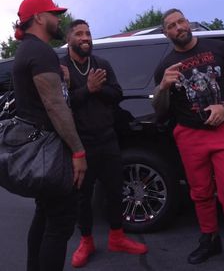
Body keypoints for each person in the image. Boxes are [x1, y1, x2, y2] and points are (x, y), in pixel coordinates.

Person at [60, 19, 148, 268]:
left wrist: (97, 89)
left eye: (88, 33)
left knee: (115, 191)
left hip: (107, 138)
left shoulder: (101, 64)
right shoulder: (62, 68)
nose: (85, 37)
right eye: (79, 33)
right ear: (69, 39)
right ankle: (86, 241)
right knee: (82, 197)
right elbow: (61, 106)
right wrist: (87, 88)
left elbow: (117, 94)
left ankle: (117, 237)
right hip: (80, 144)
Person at [153, 8, 224, 264]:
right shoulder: (164, 66)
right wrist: (163, 87)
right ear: (166, 33)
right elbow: (160, 108)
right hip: (189, 134)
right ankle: (209, 239)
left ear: (187, 22)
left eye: (181, 21)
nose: (178, 27)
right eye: (171, 25)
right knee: (200, 192)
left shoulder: (219, 48)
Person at [13, 0, 87, 271]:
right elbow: (55, 107)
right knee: (59, 224)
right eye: (54, 14)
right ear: (40, 18)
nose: (59, 19)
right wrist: (78, 151)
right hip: (51, 152)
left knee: (44, 216)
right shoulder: (40, 52)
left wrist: (63, 80)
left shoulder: (27, 50)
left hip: (40, 151)